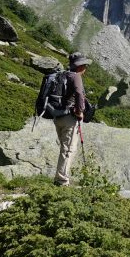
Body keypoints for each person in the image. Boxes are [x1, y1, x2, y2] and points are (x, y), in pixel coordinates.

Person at [54, 52, 91, 186]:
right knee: (68, 150)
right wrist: (80, 111)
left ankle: (60, 177)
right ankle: (61, 181)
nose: (85, 68)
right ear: (80, 66)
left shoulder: (62, 74)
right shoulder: (76, 77)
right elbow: (79, 93)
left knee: (64, 148)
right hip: (70, 117)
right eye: (85, 65)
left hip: (57, 115)